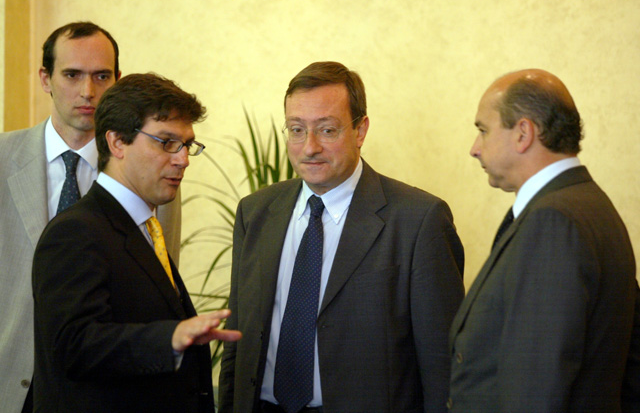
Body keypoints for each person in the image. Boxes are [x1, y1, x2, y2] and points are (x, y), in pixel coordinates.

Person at [218, 61, 465, 413]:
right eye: (296, 129)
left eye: (327, 130)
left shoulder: (419, 221)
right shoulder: (255, 212)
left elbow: (442, 363)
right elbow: (237, 338)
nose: (309, 147)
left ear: (360, 130)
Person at [32, 73, 242, 413]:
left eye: (187, 144)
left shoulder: (147, 228)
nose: (183, 159)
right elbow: (73, 346)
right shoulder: (75, 232)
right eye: (166, 142)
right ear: (117, 142)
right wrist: (169, 338)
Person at [0, 22, 180, 413]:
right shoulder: (3, 158)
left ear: (117, 79)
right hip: (11, 381)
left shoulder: (150, 173)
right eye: (72, 75)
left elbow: (158, 288)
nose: (87, 91)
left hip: (108, 388)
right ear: (45, 79)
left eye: (101, 76)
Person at [448, 69, 637, 412]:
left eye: (483, 130)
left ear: (523, 133)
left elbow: (535, 387)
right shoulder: (591, 205)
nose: (474, 149)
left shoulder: (554, 223)